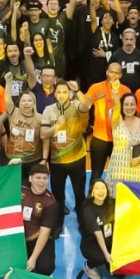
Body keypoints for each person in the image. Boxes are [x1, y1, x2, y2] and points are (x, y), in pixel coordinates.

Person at [41, 80, 89, 216]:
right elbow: (43, 134)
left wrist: (78, 90)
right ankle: (60, 208)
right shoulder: (48, 110)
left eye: (65, 92)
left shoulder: (76, 105)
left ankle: (81, 208)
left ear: (69, 93)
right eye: (59, 92)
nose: (62, 95)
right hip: (57, 159)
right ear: (54, 93)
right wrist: (57, 126)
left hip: (77, 157)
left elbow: (87, 106)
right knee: (57, 191)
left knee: (79, 190)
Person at [83, 62, 131, 183]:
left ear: (121, 75)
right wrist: (95, 98)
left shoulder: (125, 90)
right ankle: (93, 195)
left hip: (119, 140)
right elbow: (84, 105)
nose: (113, 75)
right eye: (111, 72)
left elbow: (131, 114)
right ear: (106, 72)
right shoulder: (96, 87)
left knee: (120, 175)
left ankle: (117, 195)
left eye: (116, 73)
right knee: (96, 174)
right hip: (100, 139)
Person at [104, 93, 140, 189]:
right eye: (126, 104)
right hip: (118, 168)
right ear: (121, 106)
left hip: (136, 168)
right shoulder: (116, 121)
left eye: (132, 104)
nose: (129, 107)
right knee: (117, 196)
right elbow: (116, 106)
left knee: (137, 195)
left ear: (136, 106)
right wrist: (115, 93)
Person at [22, 164, 59, 275]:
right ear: (30, 178)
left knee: (45, 268)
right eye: (38, 178)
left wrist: (33, 258)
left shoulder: (50, 202)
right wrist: (11, 165)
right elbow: (5, 182)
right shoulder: (21, 189)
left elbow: (44, 232)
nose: (41, 182)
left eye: (44, 178)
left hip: (36, 237)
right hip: (18, 238)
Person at [78, 178, 115, 279]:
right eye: (97, 188)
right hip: (91, 243)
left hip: (109, 241)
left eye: (103, 188)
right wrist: (106, 254)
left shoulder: (112, 203)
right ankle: (89, 265)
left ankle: (107, 260)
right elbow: (98, 233)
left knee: (120, 275)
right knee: (100, 258)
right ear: (92, 193)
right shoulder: (88, 209)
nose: (101, 191)